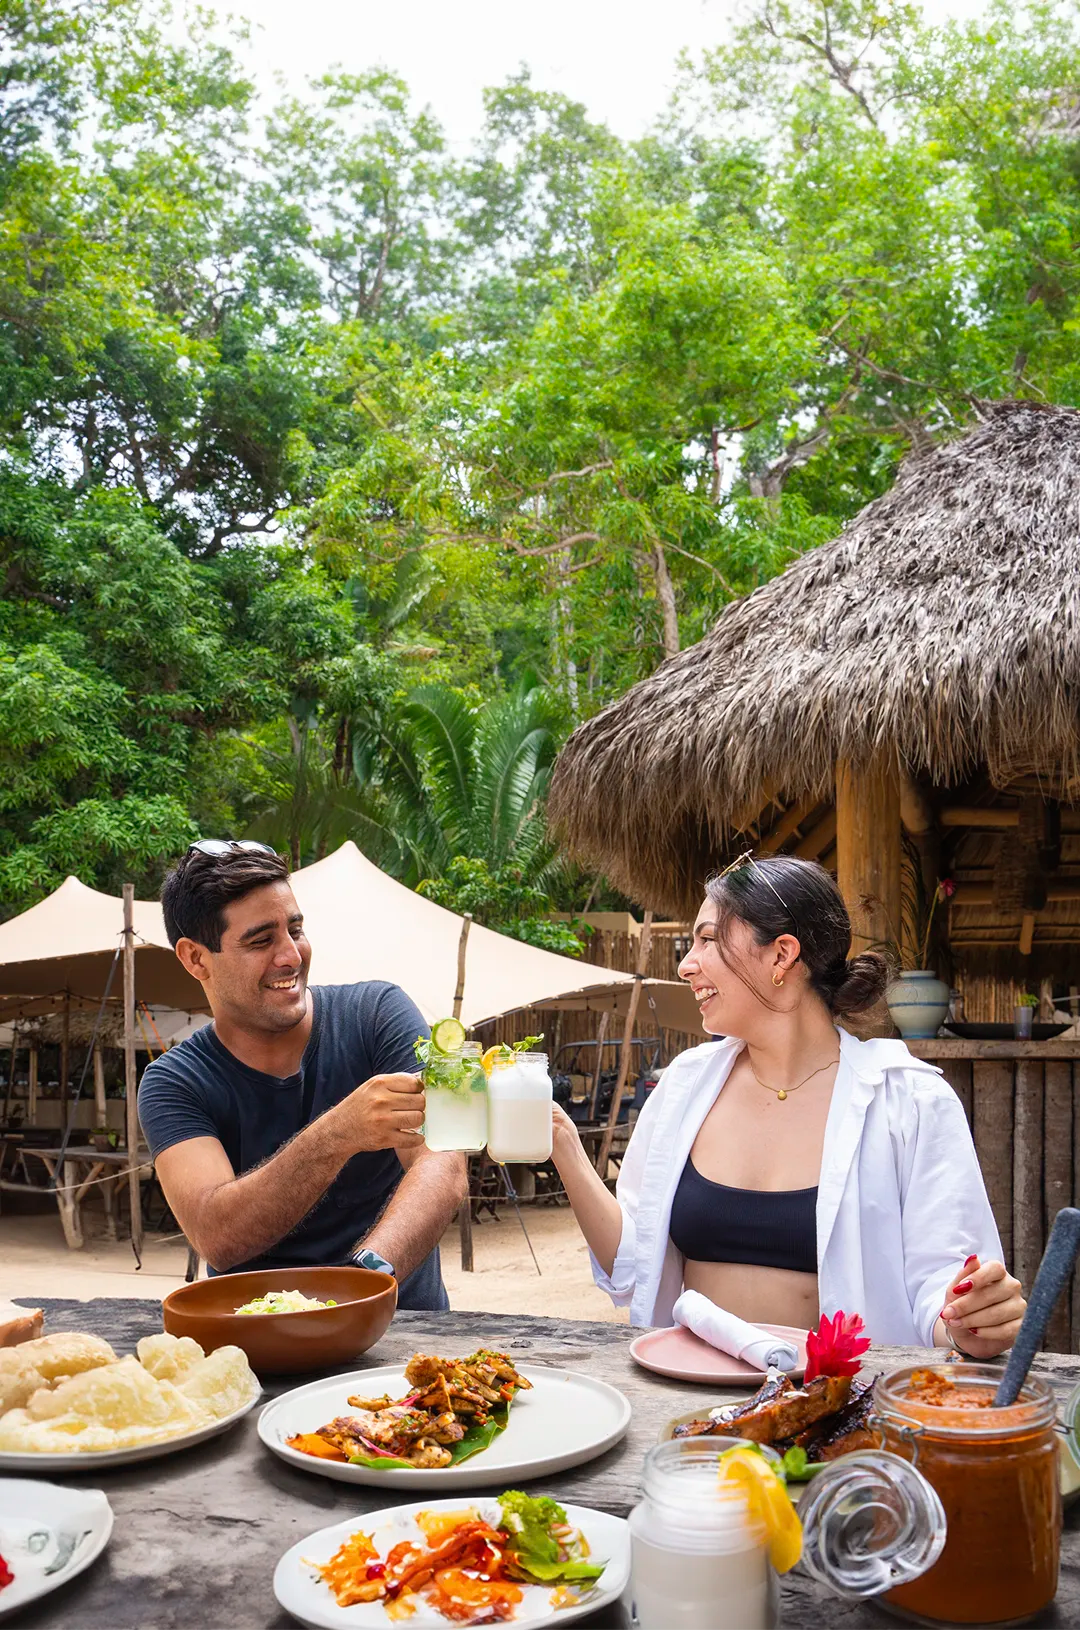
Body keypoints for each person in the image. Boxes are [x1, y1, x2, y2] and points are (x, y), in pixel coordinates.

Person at [551, 854, 1026, 1351]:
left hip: (838, 1408)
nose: (685, 964)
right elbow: (631, 1267)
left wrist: (968, 1318)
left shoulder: (910, 1102)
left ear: (782, 956)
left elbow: (942, 1293)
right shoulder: (682, 1089)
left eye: (707, 939)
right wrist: (564, 1144)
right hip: (691, 1403)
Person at [138, 841, 467, 1309]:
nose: (291, 956)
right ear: (195, 959)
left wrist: (369, 1277)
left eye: (295, 929)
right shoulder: (174, 1082)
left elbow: (442, 1163)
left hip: (405, 1332)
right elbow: (216, 1235)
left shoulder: (377, 1013)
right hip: (262, 1346)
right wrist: (338, 1133)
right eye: (260, 940)